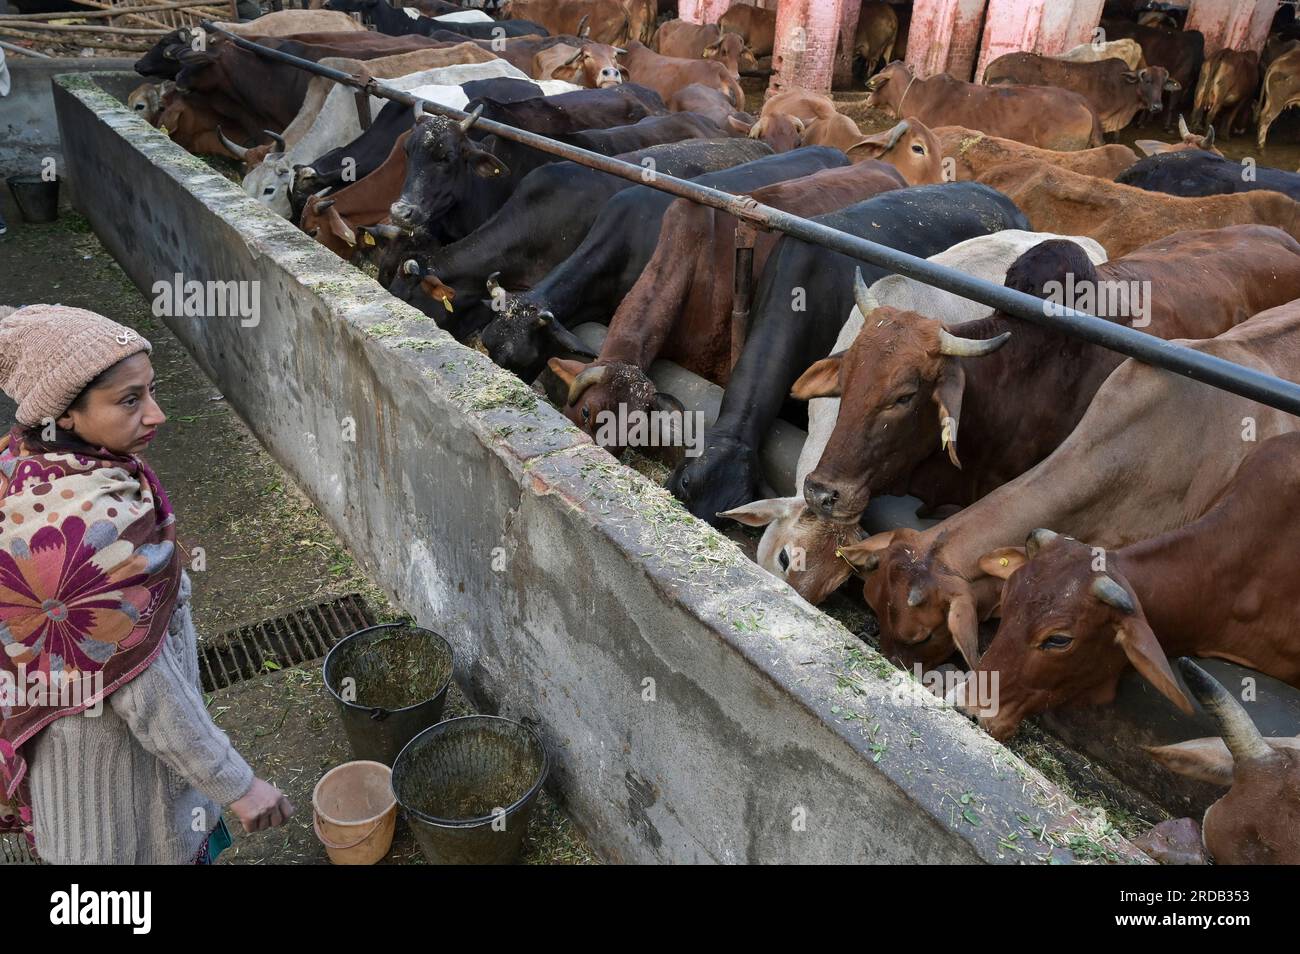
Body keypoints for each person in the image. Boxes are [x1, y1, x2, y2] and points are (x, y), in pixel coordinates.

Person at [0, 304, 293, 864]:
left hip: (79, 795)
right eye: (129, 400)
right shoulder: (87, 534)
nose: (156, 414)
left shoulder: (26, 469)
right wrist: (238, 785)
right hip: (125, 815)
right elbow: (147, 688)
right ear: (64, 415)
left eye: (151, 391)